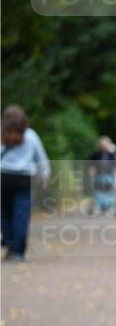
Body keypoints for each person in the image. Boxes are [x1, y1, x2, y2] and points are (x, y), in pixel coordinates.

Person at [2, 105, 51, 262]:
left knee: (4, 212)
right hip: (24, 178)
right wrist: (45, 174)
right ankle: (18, 251)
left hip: (3, 176)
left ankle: (9, 243)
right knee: (21, 214)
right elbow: (41, 158)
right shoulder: (31, 135)